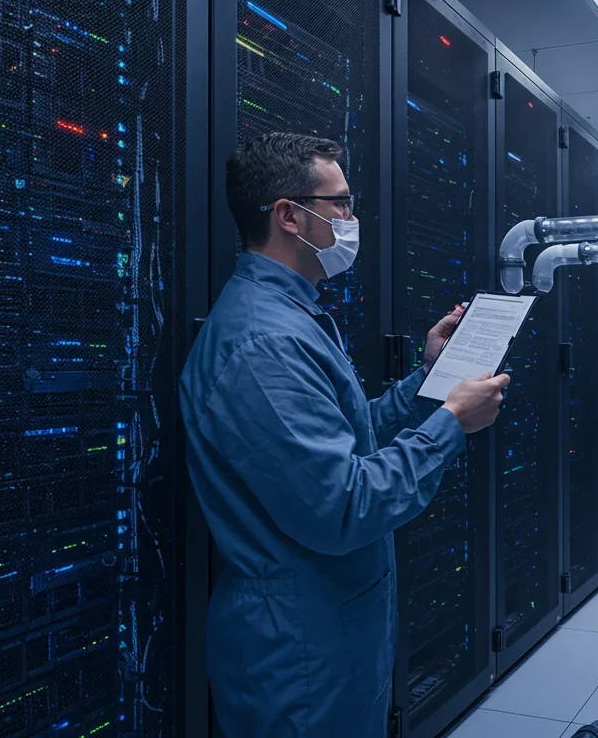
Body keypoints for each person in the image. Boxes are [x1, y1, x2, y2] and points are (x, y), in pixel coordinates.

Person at [179, 132, 509, 737]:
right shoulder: (263, 344)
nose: (352, 221)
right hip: (298, 649)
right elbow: (344, 504)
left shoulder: (294, 316)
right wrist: (451, 423)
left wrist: (426, 382)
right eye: (341, 205)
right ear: (288, 215)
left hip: (333, 625)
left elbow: (353, 439)